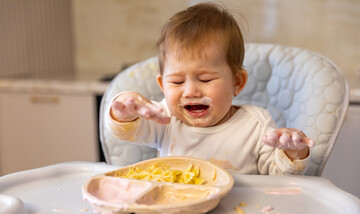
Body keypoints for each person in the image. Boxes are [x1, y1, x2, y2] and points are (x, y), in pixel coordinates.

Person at [105, 3, 314, 175]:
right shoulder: (165, 119)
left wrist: (293, 154)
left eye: (205, 80)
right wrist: (124, 110)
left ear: (237, 83)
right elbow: (126, 132)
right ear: (162, 86)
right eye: (177, 82)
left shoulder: (256, 126)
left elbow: (281, 180)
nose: (190, 92)